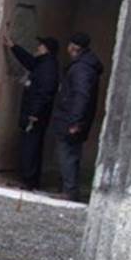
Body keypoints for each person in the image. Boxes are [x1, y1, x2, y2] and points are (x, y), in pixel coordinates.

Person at [3, 33, 60, 190]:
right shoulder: (43, 63)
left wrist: (35, 113)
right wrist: (13, 46)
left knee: (31, 146)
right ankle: (29, 179)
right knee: (31, 145)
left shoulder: (47, 68)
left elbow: (45, 93)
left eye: (41, 45)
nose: (37, 47)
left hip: (35, 116)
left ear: (47, 50)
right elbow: (29, 61)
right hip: (35, 113)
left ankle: (28, 181)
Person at [52, 32, 104, 201]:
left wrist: (75, 121)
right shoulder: (86, 66)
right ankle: (68, 188)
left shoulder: (81, 69)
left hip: (71, 119)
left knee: (67, 154)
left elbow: (81, 96)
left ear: (74, 47)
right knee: (70, 154)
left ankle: (69, 191)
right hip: (75, 118)